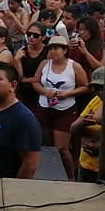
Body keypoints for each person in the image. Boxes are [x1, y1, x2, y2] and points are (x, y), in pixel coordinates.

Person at [31, 36, 89, 179]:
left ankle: (70, 176)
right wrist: (45, 91)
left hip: (65, 109)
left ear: (64, 50)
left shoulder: (74, 66)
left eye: (56, 48)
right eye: (51, 48)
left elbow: (85, 86)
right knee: (46, 144)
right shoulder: (44, 64)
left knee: (62, 148)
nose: (53, 51)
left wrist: (68, 93)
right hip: (45, 107)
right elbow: (35, 82)